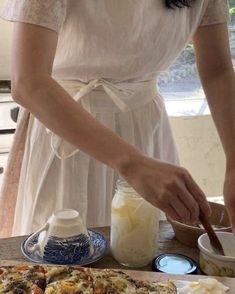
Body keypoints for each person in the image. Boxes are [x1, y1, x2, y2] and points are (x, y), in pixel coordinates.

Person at [0, 0, 234, 237]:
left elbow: (218, 71)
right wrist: (134, 164)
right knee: (63, 260)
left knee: (144, 252)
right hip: (68, 128)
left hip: (146, 130)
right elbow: (29, 82)